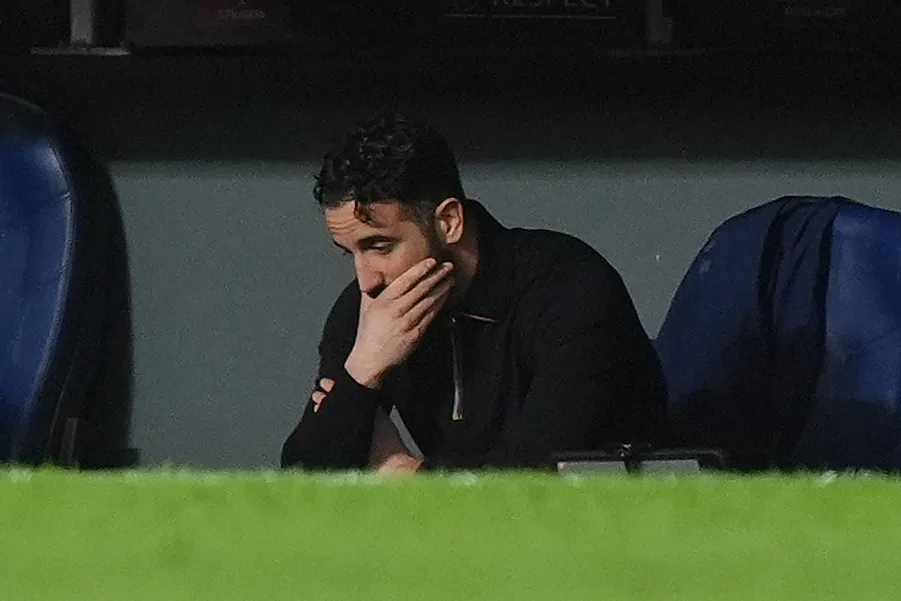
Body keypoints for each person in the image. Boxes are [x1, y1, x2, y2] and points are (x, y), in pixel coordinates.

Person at [280, 111, 666, 473]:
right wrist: (363, 374)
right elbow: (300, 479)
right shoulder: (370, 310)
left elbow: (541, 473)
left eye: (380, 247)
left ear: (448, 222)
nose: (365, 279)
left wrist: (404, 478)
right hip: (453, 538)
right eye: (350, 252)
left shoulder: (570, 287)